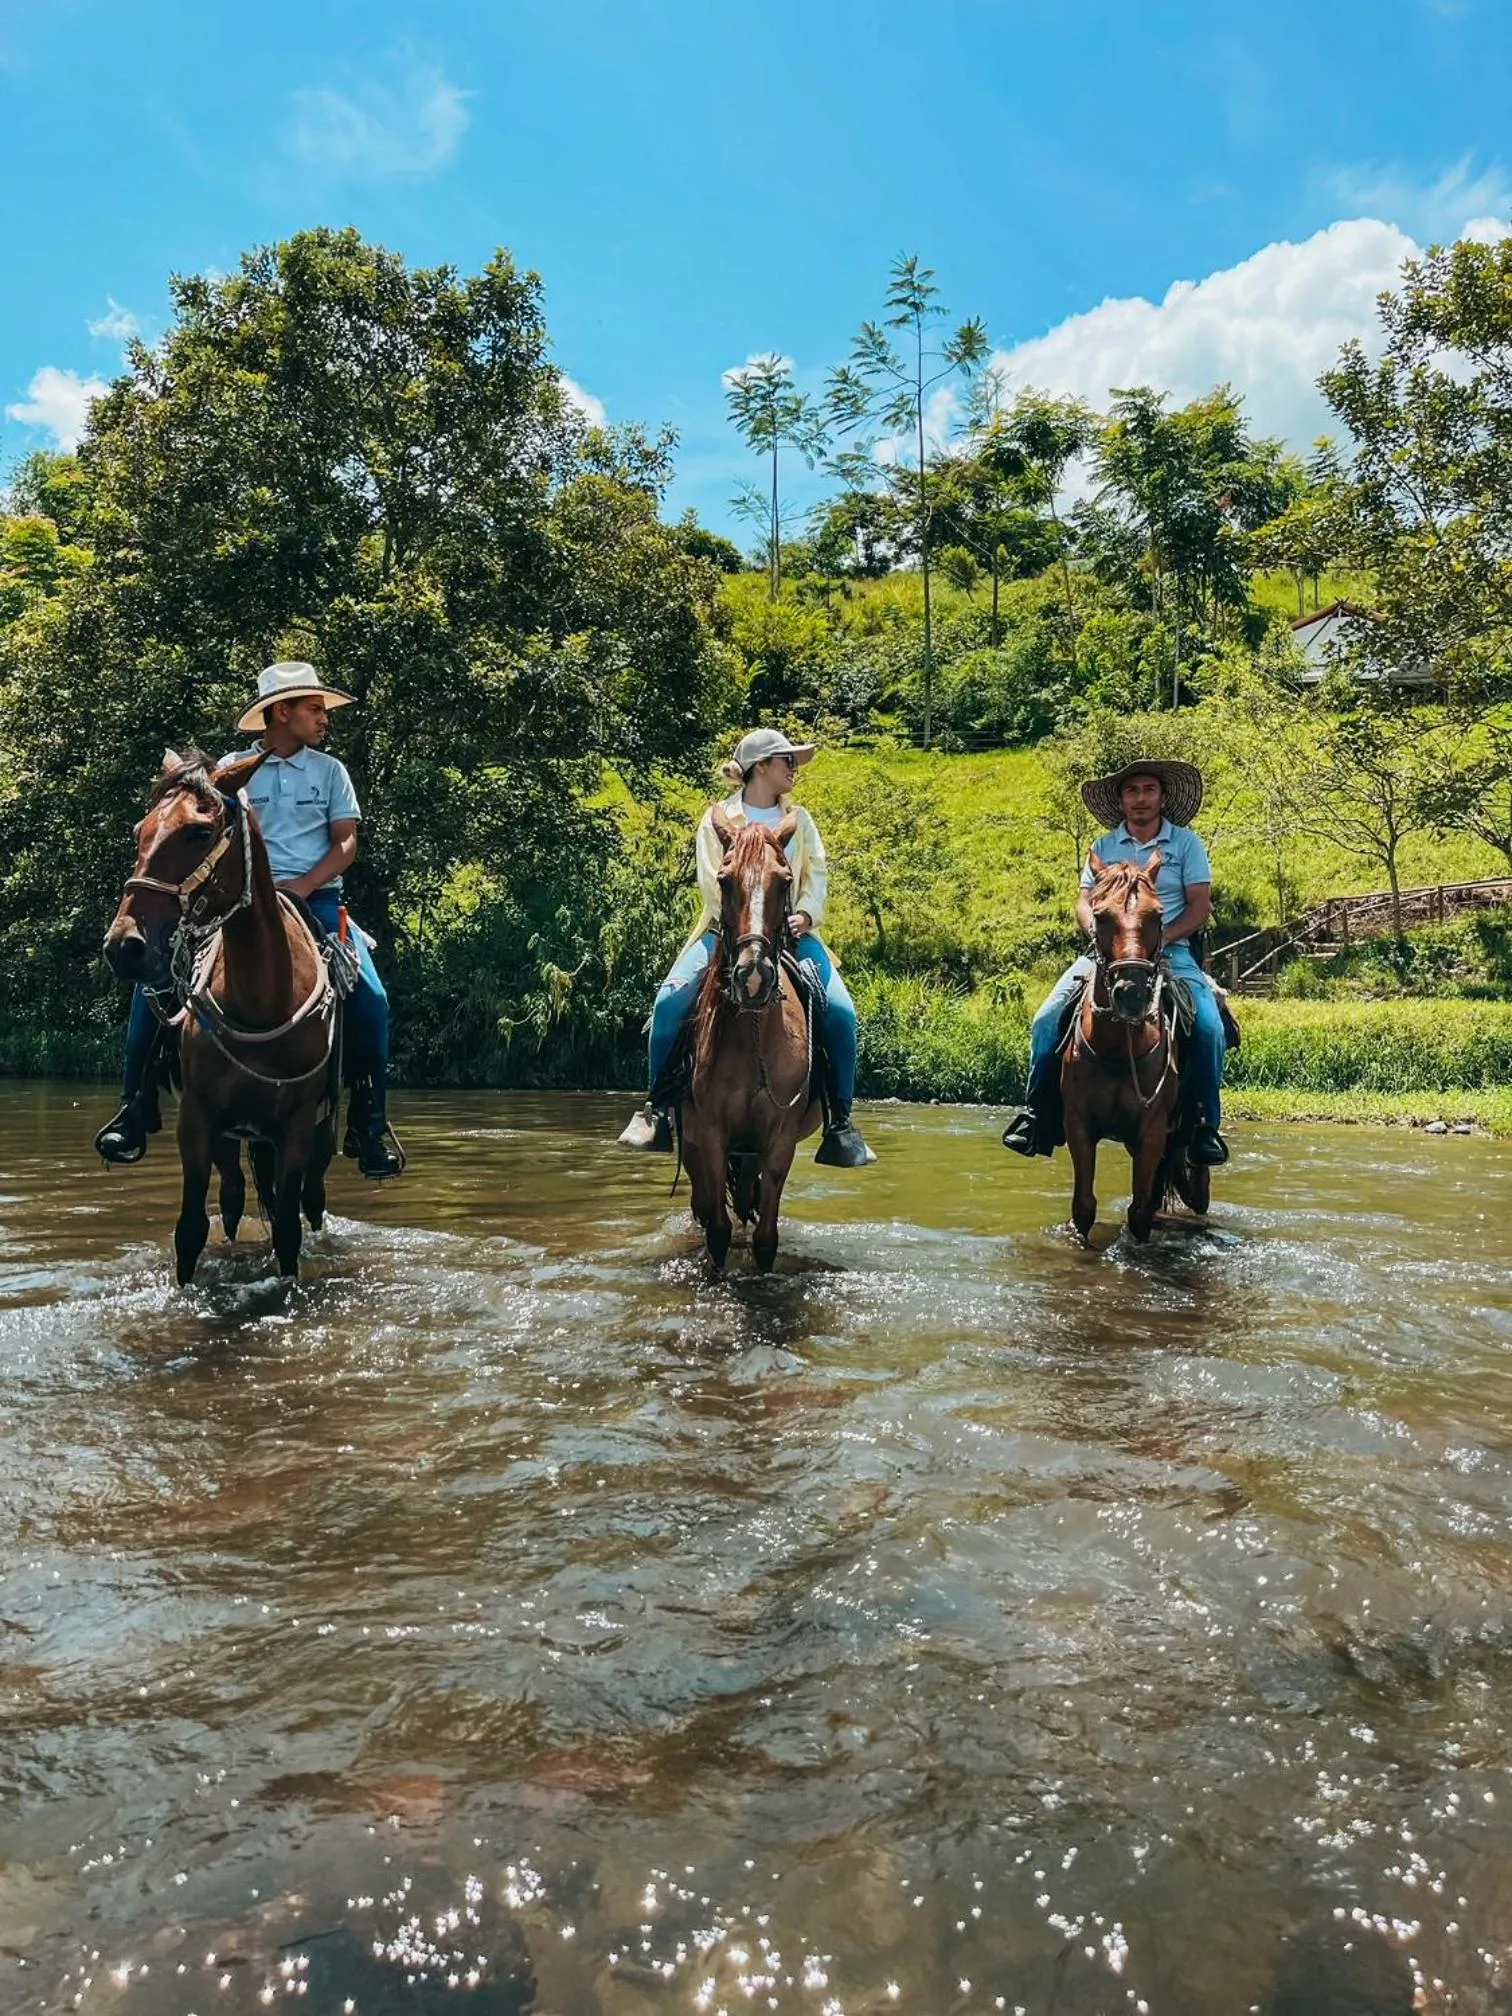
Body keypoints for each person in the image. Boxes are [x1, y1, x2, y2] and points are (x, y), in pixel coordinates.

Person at [95, 661, 403, 1180]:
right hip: (230, 902)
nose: (322, 718)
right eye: (313, 709)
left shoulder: (330, 772)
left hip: (315, 900)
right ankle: (135, 1105)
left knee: (371, 996)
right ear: (281, 713)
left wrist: (301, 887)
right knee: (154, 985)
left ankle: (369, 1122)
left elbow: (345, 842)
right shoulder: (228, 772)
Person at [617, 727, 875, 1168]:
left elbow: (817, 877)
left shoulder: (802, 820)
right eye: (786, 761)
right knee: (669, 1002)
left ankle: (841, 1122)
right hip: (726, 933)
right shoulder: (718, 818)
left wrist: (806, 915)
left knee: (842, 1012)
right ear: (761, 767)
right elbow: (712, 881)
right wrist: (747, 924)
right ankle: (657, 1109)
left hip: (793, 936)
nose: (794, 769)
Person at [1001, 757, 1230, 1167]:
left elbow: (1199, 907)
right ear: (1121, 801)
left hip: (1169, 950)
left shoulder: (1186, 844)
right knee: (1045, 1019)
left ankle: (1203, 1126)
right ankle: (1037, 1115)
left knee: (1210, 1028)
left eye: (1148, 790)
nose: (1140, 798)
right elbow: (1084, 901)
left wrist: (1160, 941)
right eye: (1131, 791)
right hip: (1105, 954)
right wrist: (1095, 934)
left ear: (1163, 797)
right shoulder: (1103, 847)